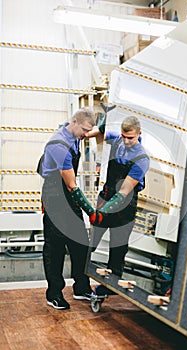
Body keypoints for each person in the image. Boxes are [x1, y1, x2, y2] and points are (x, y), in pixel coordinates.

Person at [40, 107, 97, 310]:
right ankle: (54, 293)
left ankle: (81, 287)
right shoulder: (59, 146)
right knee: (55, 248)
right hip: (56, 195)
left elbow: (92, 131)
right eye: (83, 130)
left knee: (80, 242)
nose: (85, 134)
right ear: (74, 122)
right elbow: (72, 185)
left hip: (67, 193)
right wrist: (91, 211)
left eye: (88, 130)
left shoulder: (76, 132)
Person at [87, 115, 150, 296]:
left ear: (139, 134)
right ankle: (81, 278)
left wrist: (102, 212)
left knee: (118, 247)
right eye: (123, 136)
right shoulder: (117, 140)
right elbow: (101, 131)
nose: (126, 140)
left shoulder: (142, 158)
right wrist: (85, 133)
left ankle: (109, 287)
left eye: (130, 137)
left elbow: (124, 190)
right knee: (91, 241)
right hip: (106, 196)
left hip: (125, 205)